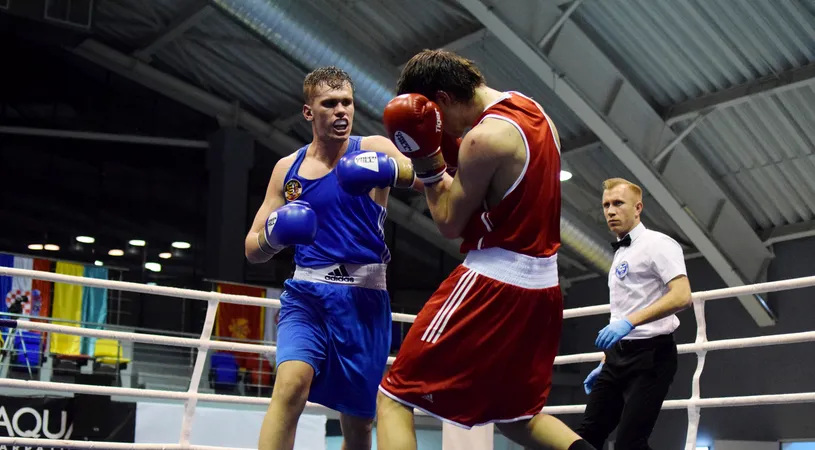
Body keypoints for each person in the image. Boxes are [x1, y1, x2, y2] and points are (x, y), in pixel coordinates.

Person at [336, 49, 595, 450]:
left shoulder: (483, 138)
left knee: (394, 398)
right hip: (544, 288)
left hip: (493, 282)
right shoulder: (534, 111)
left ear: (441, 100)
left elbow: (448, 221)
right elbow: (486, 185)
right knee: (518, 418)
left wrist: (425, 156)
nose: (440, 131)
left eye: (433, 116)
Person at [244, 66, 420, 450]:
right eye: (330, 104)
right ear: (309, 112)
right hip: (306, 295)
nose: (341, 111)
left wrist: (392, 169)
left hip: (364, 301)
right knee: (290, 387)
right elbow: (252, 248)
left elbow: (430, 176)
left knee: (359, 427)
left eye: (347, 103)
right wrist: (274, 236)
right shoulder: (286, 170)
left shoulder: (372, 148)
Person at [575, 177, 692, 449]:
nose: (610, 211)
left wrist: (629, 322)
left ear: (638, 208)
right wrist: (606, 360)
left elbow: (682, 295)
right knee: (586, 436)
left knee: (630, 443)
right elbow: (622, 310)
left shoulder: (658, 244)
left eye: (618, 203)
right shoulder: (621, 253)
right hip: (617, 357)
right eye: (606, 205)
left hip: (652, 356)